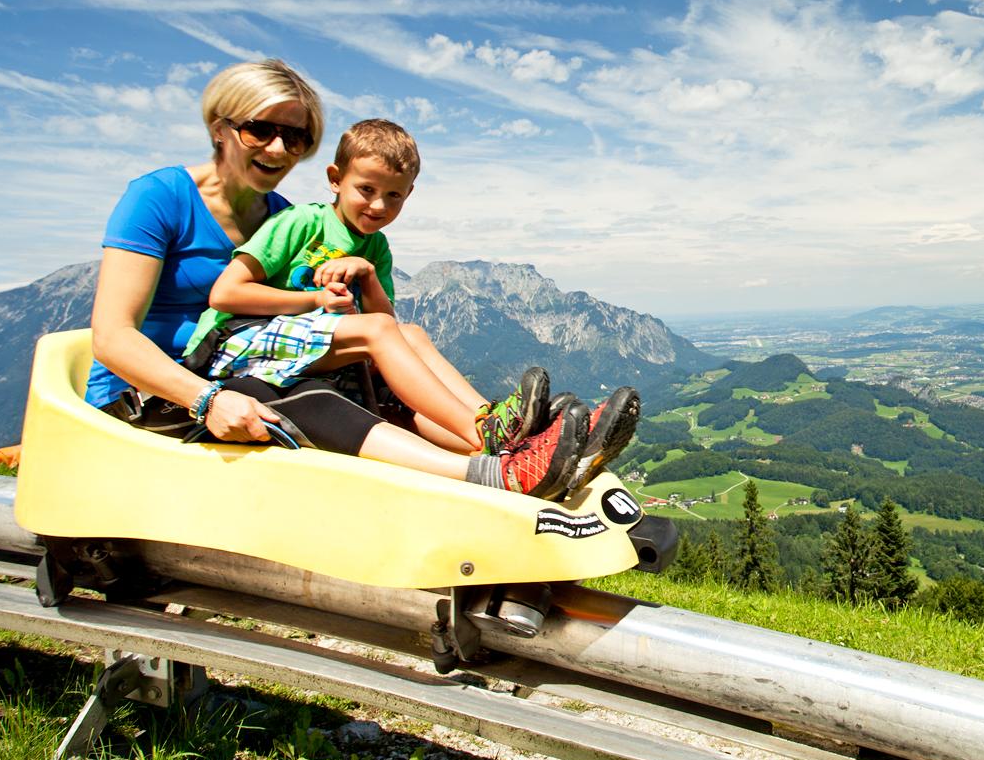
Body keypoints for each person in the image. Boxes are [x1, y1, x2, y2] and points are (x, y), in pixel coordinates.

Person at [87, 58, 626, 500]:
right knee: (322, 395)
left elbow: (344, 314)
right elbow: (113, 336)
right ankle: (498, 459)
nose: (278, 149)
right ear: (220, 129)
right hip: (162, 390)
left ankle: (518, 451)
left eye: (295, 137)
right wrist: (205, 398)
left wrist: (355, 290)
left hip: (260, 365)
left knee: (389, 377)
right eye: (260, 129)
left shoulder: (283, 214)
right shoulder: (162, 197)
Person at [185, 117, 637, 498]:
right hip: (235, 345)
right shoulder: (303, 222)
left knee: (412, 335)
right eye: (366, 189)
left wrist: (364, 273)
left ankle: (507, 433)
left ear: (409, 194)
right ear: (335, 179)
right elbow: (225, 294)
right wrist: (313, 299)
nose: (378, 205)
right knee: (383, 334)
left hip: (298, 349)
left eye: (394, 196)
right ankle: (489, 434)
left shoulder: (375, 245)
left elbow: (387, 321)